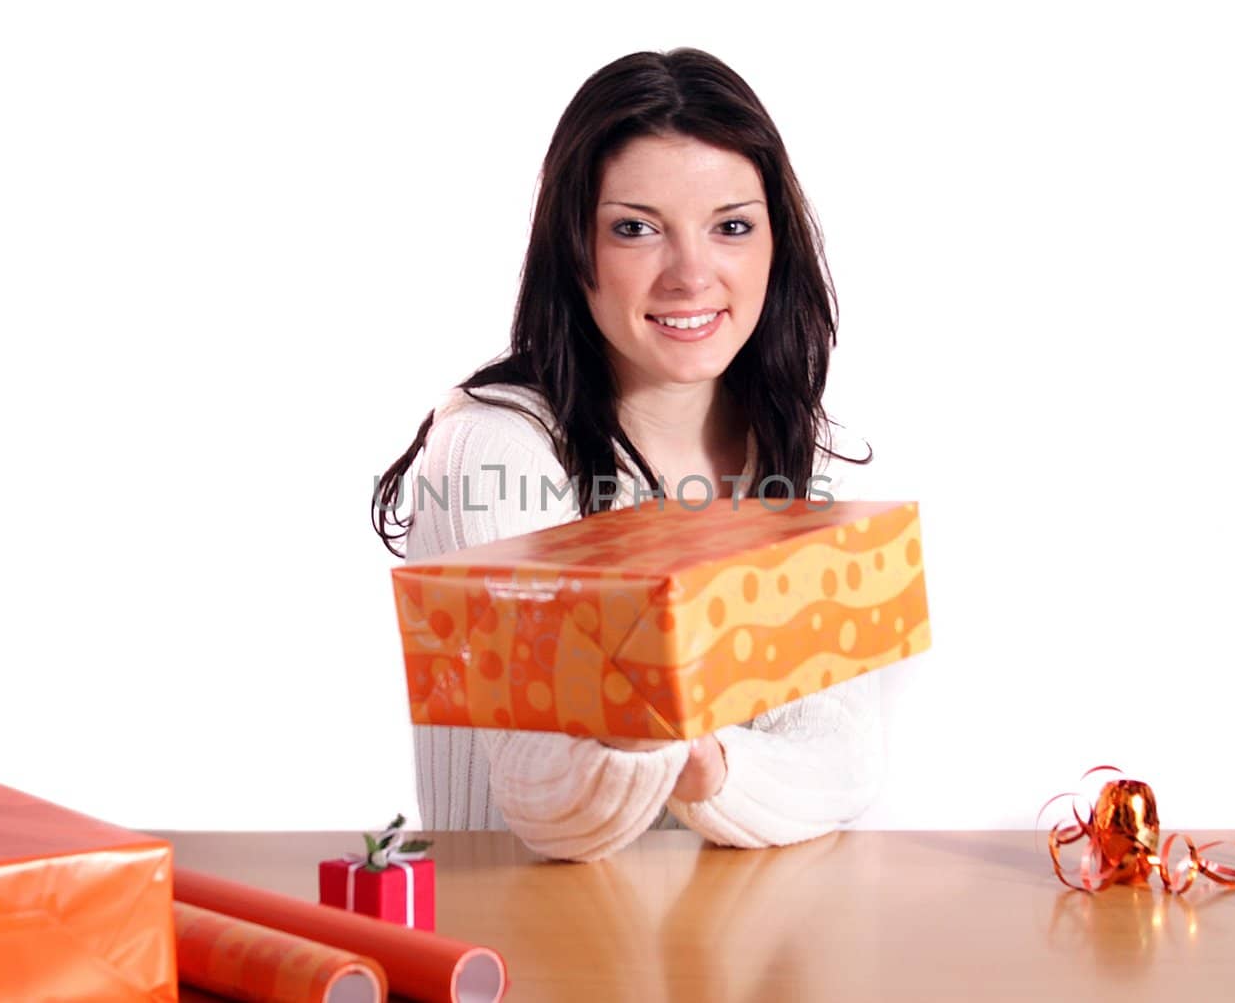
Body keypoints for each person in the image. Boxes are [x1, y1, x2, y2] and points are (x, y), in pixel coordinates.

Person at [371, 48, 882, 862]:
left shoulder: (791, 444)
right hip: (520, 951)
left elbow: (844, 761)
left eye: (732, 227)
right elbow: (538, 793)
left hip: (734, 958)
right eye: (636, 229)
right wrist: (667, 748)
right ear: (576, 248)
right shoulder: (495, 444)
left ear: (776, 244)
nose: (691, 274)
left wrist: (700, 760)